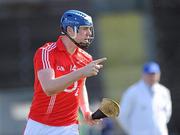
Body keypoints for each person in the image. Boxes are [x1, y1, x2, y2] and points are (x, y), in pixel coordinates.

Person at [24, 10, 107, 135]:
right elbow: (49, 88)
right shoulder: (46, 52)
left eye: (90, 29)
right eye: (84, 28)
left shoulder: (86, 58)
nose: (89, 33)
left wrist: (86, 111)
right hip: (40, 125)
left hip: (69, 126)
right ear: (69, 30)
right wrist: (81, 72)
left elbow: (80, 86)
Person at [118, 61, 172, 135]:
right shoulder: (132, 92)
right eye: (149, 74)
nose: (152, 76)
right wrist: (133, 131)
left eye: (154, 74)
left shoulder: (164, 91)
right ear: (143, 74)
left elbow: (167, 114)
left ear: (159, 74)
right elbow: (123, 115)